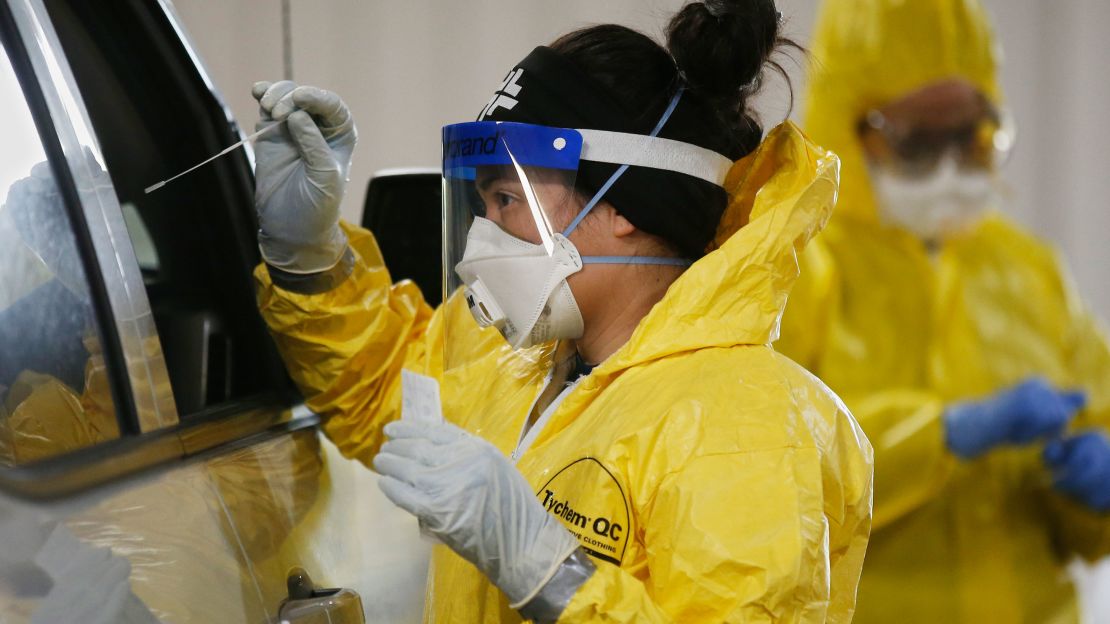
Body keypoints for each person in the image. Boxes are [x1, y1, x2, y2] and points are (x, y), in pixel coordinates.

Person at [251, 0, 873, 621]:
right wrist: (310, 259)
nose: (482, 237)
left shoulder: (744, 427)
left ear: (624, 205)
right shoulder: (513, 360)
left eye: (505, 199)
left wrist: (549, 573)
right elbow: (385, 392)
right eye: (481, 204)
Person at [777, 0, 1110, 621]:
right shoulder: (793, 268)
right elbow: (771, 464)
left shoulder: (1030, 270)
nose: (951, 165)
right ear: (849, 123)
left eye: (970, 136)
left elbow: (1100, 416)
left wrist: (1098, 483)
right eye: (917, 140)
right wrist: (943, 435)